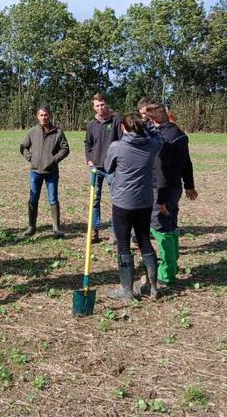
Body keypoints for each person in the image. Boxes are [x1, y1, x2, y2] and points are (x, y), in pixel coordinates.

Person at [104, 113, 163, 300]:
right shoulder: (152, 145)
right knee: (145, 240)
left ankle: (126, 290)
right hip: (144, 202)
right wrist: (148, 127)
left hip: (122, 203)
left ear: (123, 128)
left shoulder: (117, 147)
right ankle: (152, 287)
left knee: (123, 245)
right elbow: (158, 136)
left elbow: (108, 167)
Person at [142, 101, 198, 286]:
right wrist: (189, 185)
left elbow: (161, 171)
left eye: (147, 116)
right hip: (176, 188)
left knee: (161, 228)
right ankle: (173, 264)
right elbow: (187, 162)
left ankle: (165, 273)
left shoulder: (163, 139)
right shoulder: (179, 133)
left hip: (162, 190)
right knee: (171, 224)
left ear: (153, 117)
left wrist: (162, 200)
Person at [19, 106, 70, 239]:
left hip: (51, 171)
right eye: (41, 115)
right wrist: (30, 158)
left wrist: (54, 160)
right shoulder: (32, 132)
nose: (44, 117)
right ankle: (31, 227)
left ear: (49, 116)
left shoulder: (58, 132)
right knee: (33, 198)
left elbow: (65, 149)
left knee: (53, 198)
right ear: (37, 116)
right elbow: (23, 147)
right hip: (35, 171)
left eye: (46, 115)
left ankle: (56, 229)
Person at [84, 93, 123, 243]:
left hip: (112, 168)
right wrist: (89, 160)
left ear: (106, 104)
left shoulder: (116, 120)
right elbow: (87, 144)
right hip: (95, 168)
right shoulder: (91, 124)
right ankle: (94, 231)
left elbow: (122, 141)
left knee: (116, 200)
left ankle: (115, 232)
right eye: (97, 105)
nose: (100, 108)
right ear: (93, 107)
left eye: (102, 104)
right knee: (95, 200)